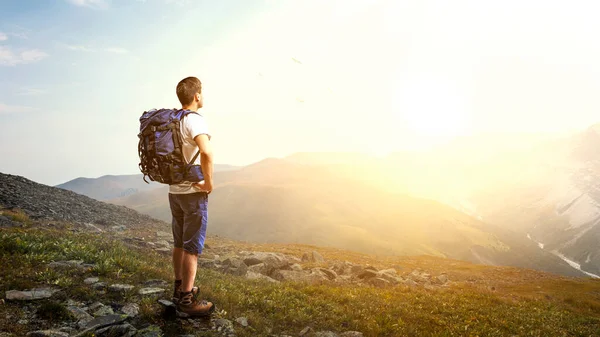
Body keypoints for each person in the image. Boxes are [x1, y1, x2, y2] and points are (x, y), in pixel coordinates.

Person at [168, 76, 215, 316]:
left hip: (174, 191)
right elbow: (206, 153)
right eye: (202, 93)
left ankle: (179, 289)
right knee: (192, 248)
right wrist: (208, 183)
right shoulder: (194, 121)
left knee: (179, 242)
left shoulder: (173, 121)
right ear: (196, 96)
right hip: (191, 192)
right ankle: (187, 301)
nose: (203, 96)